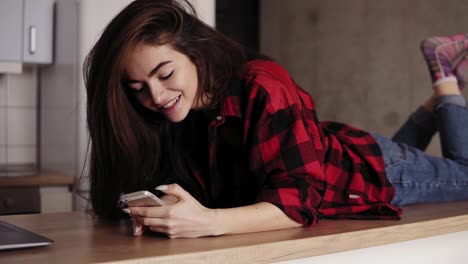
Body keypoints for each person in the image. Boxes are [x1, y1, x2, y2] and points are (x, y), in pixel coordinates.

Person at [83, 0, 468, 239]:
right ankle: (438, 102)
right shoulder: (173, 115)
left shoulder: (263, 85)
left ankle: (442, 72)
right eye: (137, 88)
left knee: (464, 173)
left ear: (196, 54)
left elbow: (298, 203)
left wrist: (209, 222)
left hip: (374, 171)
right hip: (337, 148)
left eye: (165, 75)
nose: (155, 96)